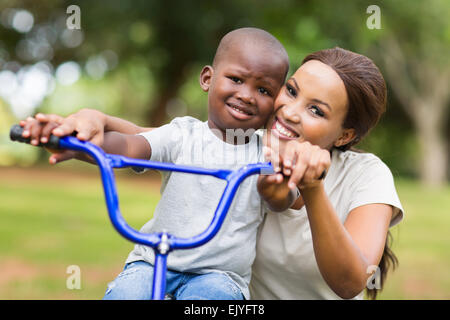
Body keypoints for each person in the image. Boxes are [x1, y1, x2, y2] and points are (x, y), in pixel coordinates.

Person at [19, 27, 289, 300]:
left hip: (219, 275)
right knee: (124, 295)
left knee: (212, 299)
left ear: (276, 105)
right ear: (208, 78)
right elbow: (127, 148)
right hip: (152, 259)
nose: (247, 95)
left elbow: (284, 199)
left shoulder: (267, 155)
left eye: (263, 89)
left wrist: (276, 187)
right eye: (236, 79)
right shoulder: (181, 134)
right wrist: (68, 140)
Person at [252, 47, 404, 299]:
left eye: (316, 111)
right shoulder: (242, 150)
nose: (289, 112)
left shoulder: (367, 176)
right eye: (291, 91)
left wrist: (313, 189)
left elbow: (350, 283)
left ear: (345, 136)